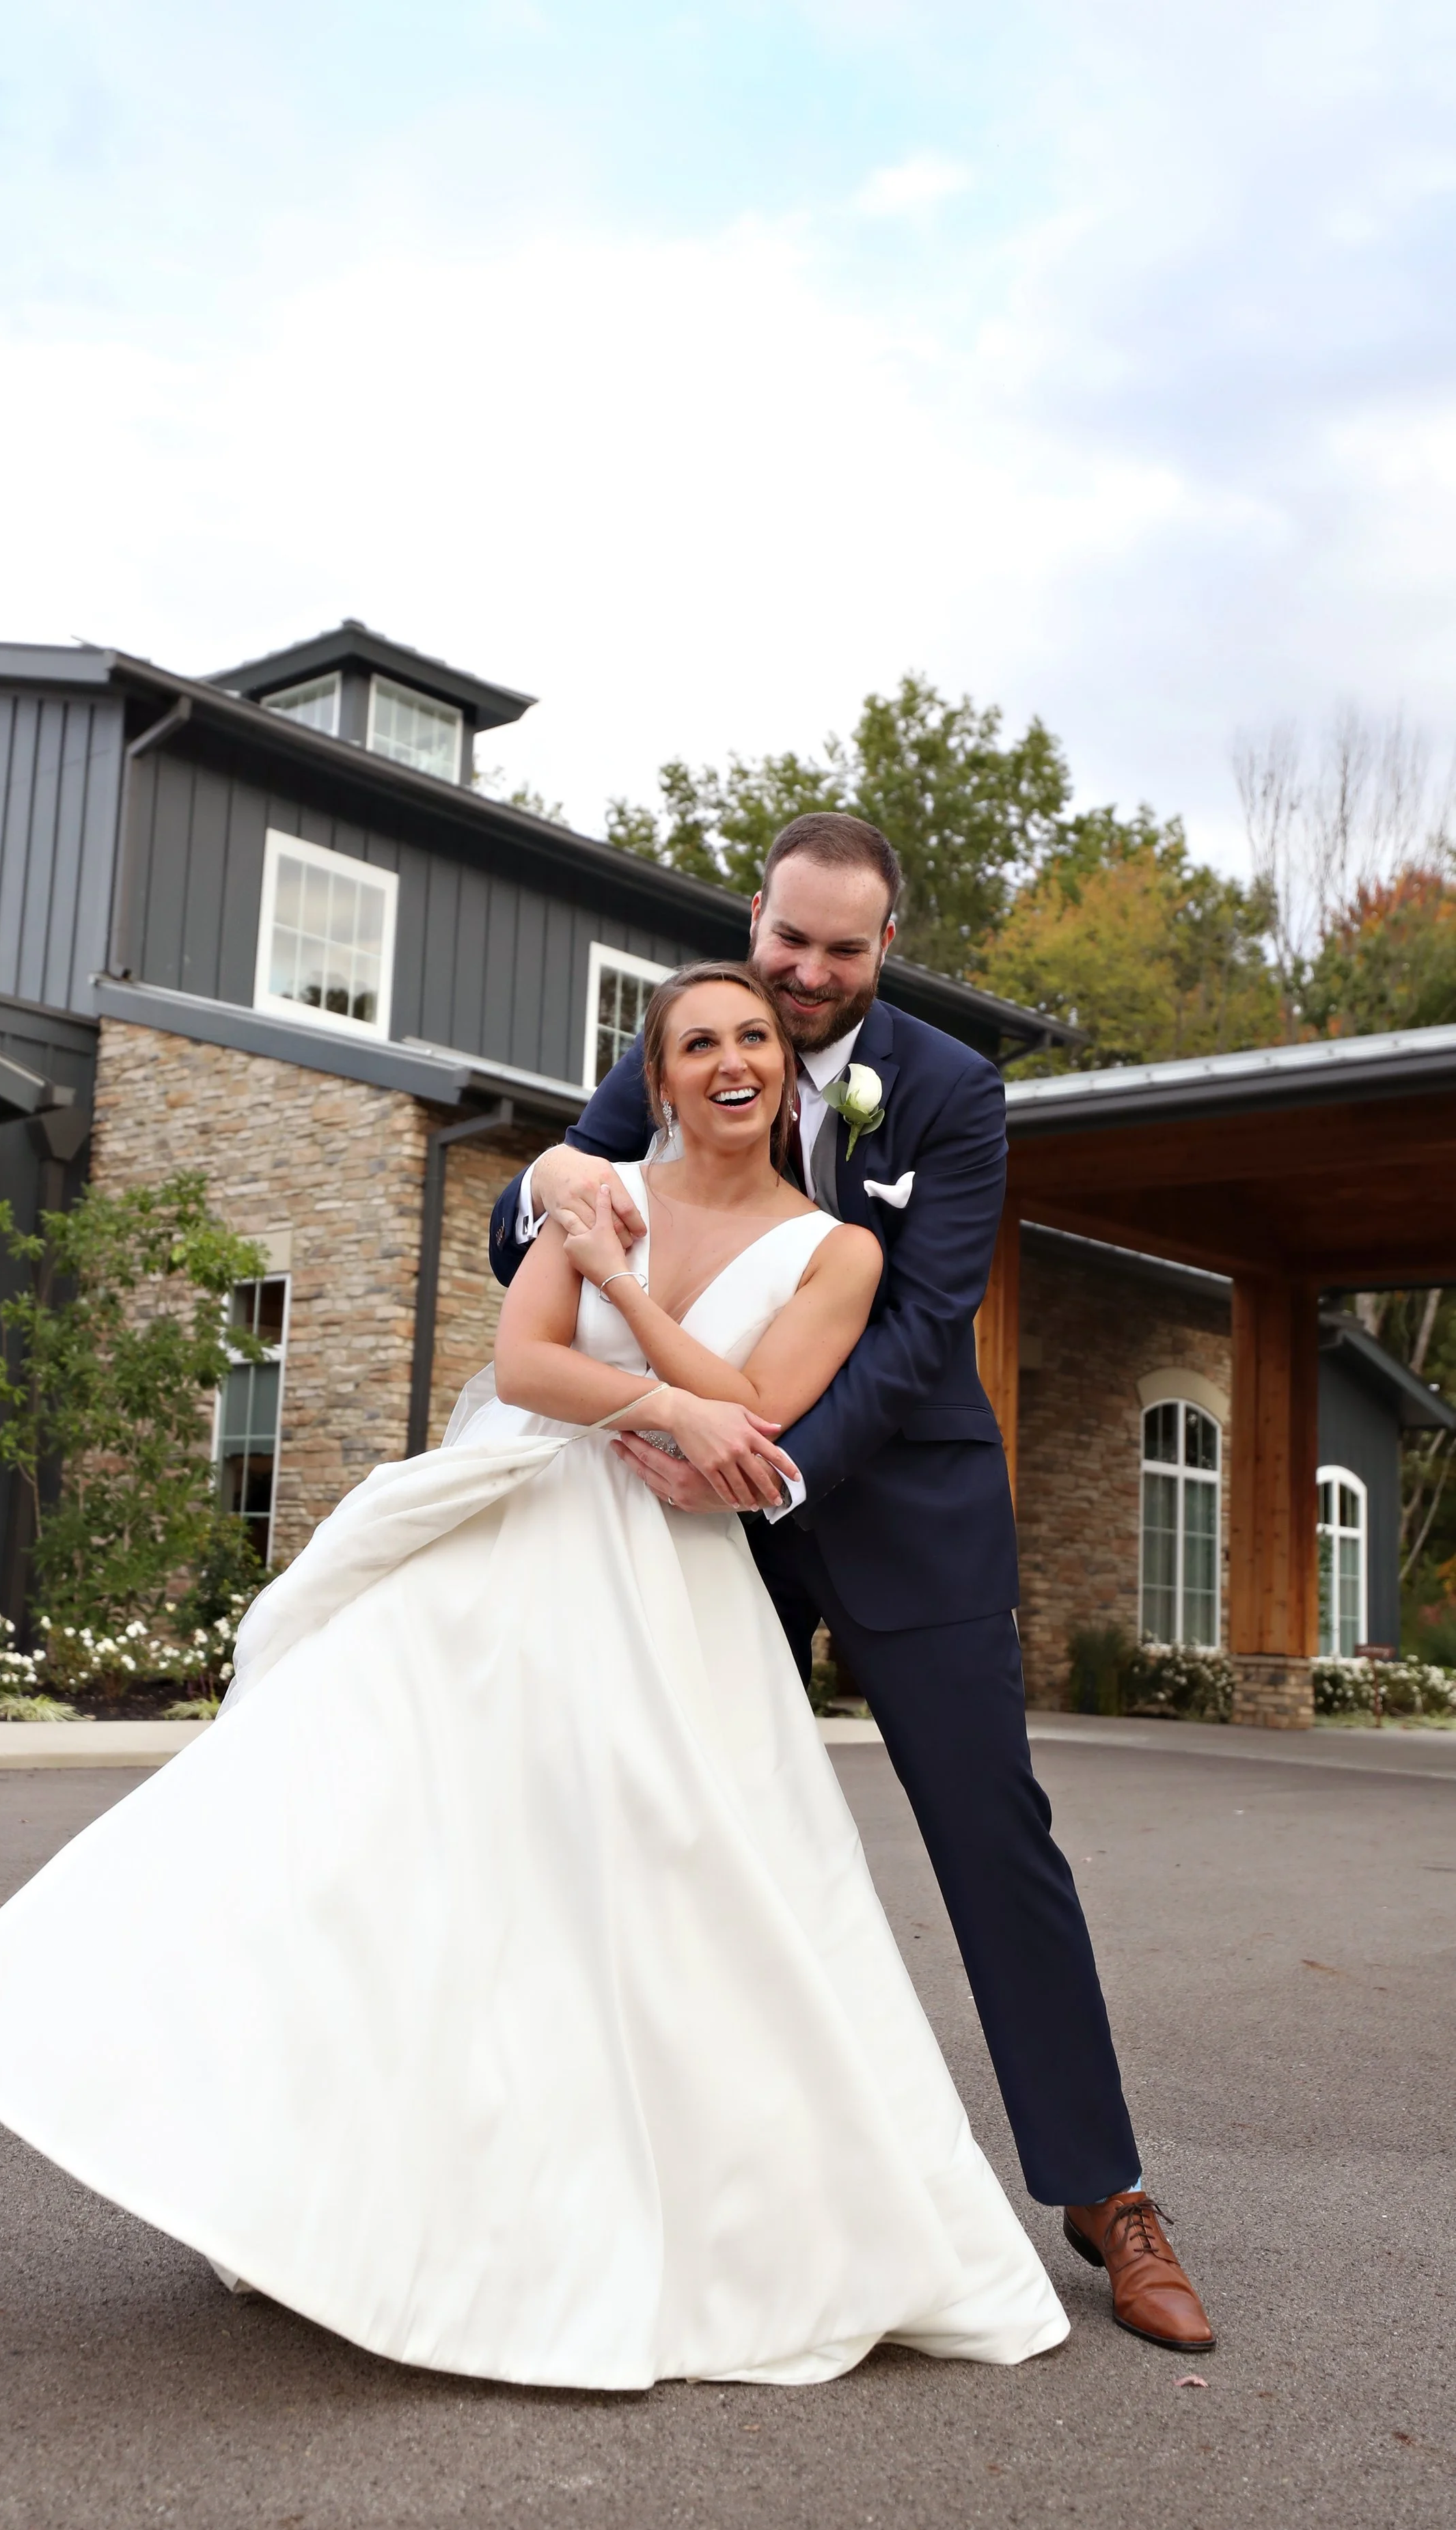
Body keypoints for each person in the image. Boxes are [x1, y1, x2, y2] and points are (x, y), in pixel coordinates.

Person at [0, 960, 1070, 2391]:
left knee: (651, 1890)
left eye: (750, 1037)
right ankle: (152, 2072)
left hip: (665, 1578)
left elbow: (760, 1408)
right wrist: (654, 1373)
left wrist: (629, 1306)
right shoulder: (592, 1188)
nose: (727, 1060)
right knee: (346, 1802)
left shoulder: (837, 1251)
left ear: (787, 1065)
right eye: (695, 1041)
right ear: (658, 1076)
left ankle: (606, 2203)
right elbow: (523, 1365)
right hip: (514, 1528)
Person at [489, 814, 1215, 2355]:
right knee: (673, 1833)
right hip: (689, 1528)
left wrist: (761, 1456)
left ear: (885, 948)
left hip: (893, 1501)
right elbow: (539, 1228)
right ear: (753, 918)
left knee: (988, 1833)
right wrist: (554, 1164)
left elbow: (919, 1322)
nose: (804, 975)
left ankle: (1106, 2193)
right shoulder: (693, 1034)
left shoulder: (950, 1092)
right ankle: (680, 2182)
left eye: (841, 950)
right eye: (786, 939)